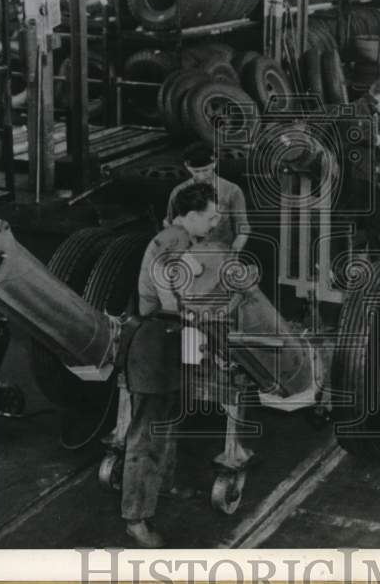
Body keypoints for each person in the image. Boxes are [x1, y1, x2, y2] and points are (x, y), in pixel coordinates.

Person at [124, 182, 222, 548]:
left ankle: (161, 487)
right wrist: (182, 309)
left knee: (167, 421)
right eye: (211, 217)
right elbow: (167, 280)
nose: (214, 223)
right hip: (154, 343)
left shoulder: (179, 238)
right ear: (192, 215)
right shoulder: (175, 240)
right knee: (146, 435)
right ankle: (136, 519)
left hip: (168, 341)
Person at [165, 143, 250, 253]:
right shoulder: (178, 192)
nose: (201, 176)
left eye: (205, 170)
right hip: (189, 255)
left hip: (221, 253)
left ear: (214, 163)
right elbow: (169, 225)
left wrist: (233, 254)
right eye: (196, 171)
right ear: (187, 166)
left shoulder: (232, 190)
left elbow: (242, 230)